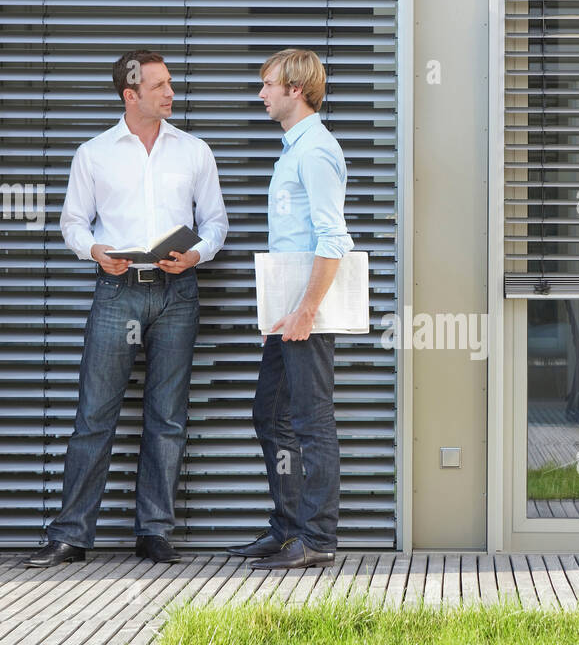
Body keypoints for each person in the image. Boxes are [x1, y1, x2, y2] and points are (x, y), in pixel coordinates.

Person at [28, 50, 228, 567]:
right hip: (117, 290)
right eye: (159, 86)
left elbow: (216, 223)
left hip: (177, 293)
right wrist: (94, 250)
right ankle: (70, 535)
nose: (170, 93)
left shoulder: (194, 151)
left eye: (170, 84)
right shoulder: (93, 154)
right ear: (130, 95)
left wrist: (197, 254)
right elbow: (73, 222)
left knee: (168, 417)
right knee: (94, 415)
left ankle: (154, 532)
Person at [228, 48, 353, 570]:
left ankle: (317, 538)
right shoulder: (292, 150)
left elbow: (333, 239)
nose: (262, 93)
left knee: (311, 420)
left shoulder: (315, 151)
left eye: (268, 84)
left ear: (295, 89)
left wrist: (304, 312)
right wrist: (279, 314)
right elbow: (291, 241)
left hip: (308, 316)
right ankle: (287, 527)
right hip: (288, 315)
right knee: (270, 414)